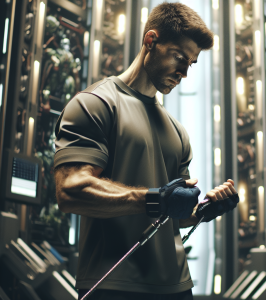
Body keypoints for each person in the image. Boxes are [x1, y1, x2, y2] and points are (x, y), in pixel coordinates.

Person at [54, 3, 237, 300]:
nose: (184, 73)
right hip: (112, 286)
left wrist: (203, 211)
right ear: (150, 41)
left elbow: (173, 216)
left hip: (177, 288)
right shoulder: (95, 105)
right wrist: (155, 198)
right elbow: (70, 190)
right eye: (179, 57)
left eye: (190, 64)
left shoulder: (178, 132)